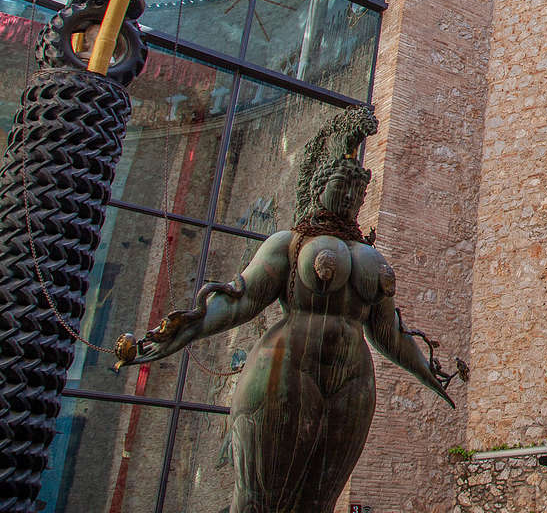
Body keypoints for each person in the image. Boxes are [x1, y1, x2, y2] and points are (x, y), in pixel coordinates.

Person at [115, 108, 454, 513]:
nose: (349, 197)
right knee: (260, 497)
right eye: (341, 186)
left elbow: (388, 332)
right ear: (319, 188)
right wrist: (175, 333)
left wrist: (429, 373)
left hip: (351, 378)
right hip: (287, 366)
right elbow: (241, 300)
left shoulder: (371, 256)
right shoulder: (289, 244)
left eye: (357, 192)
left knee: (320, 500)